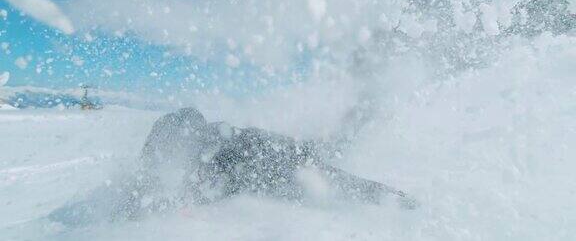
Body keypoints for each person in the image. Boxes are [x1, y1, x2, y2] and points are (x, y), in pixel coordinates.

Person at [49, 107, 417, 226]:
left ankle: (399, 199)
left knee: (339, 179)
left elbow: (209, 186)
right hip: (287, 157)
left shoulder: (214, 148)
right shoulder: (209, 140)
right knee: (333, 166)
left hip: (291, 164)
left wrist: (141, 206)